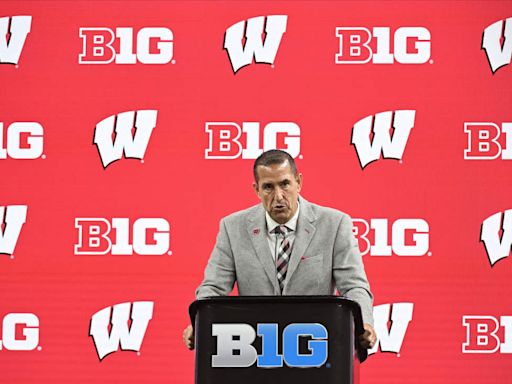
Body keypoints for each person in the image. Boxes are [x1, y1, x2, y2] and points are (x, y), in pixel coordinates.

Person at [183, 150, 377, 350]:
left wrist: (364, 323)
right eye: (268, 187)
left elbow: (354, 287)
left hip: (316, 348)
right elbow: (213, 288)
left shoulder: (335, 224)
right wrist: (199, 323)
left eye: (285, 184)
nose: (278, 196)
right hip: (254, 351)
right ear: (256, 189)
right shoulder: (232, 228)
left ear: (298, 182)